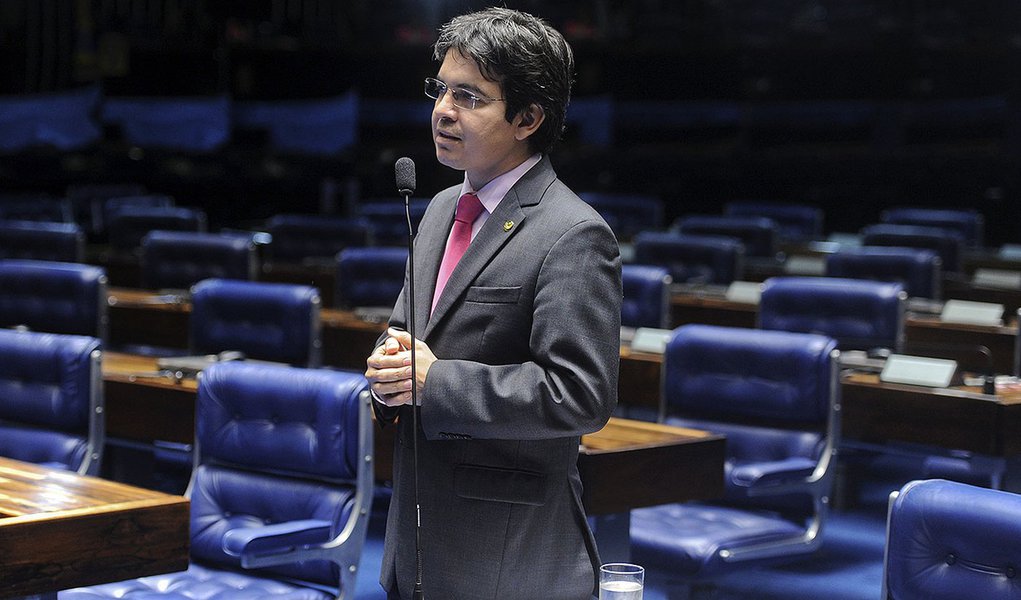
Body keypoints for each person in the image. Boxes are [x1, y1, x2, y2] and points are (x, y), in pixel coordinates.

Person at [364, 7, 622, 599]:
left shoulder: (572, 233)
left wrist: (436, 383)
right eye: (441, 89)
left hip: (509, 559)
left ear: (528, 117)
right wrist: (387, 372)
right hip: (416, 546)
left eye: (470, 97)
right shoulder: (436, 212)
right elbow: (406, 340)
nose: (442, 110)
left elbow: (580, 395)